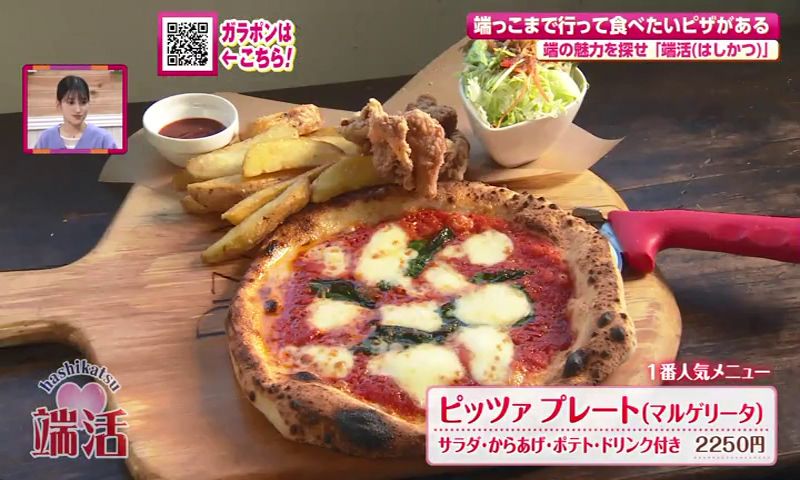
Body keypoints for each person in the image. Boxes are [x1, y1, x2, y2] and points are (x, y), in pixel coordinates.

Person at [33, 75, 118, 149]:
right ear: (59, 105)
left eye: (83, 102)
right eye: (71, 102)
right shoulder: (46, 139)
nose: (78, 110)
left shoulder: (103, 139)